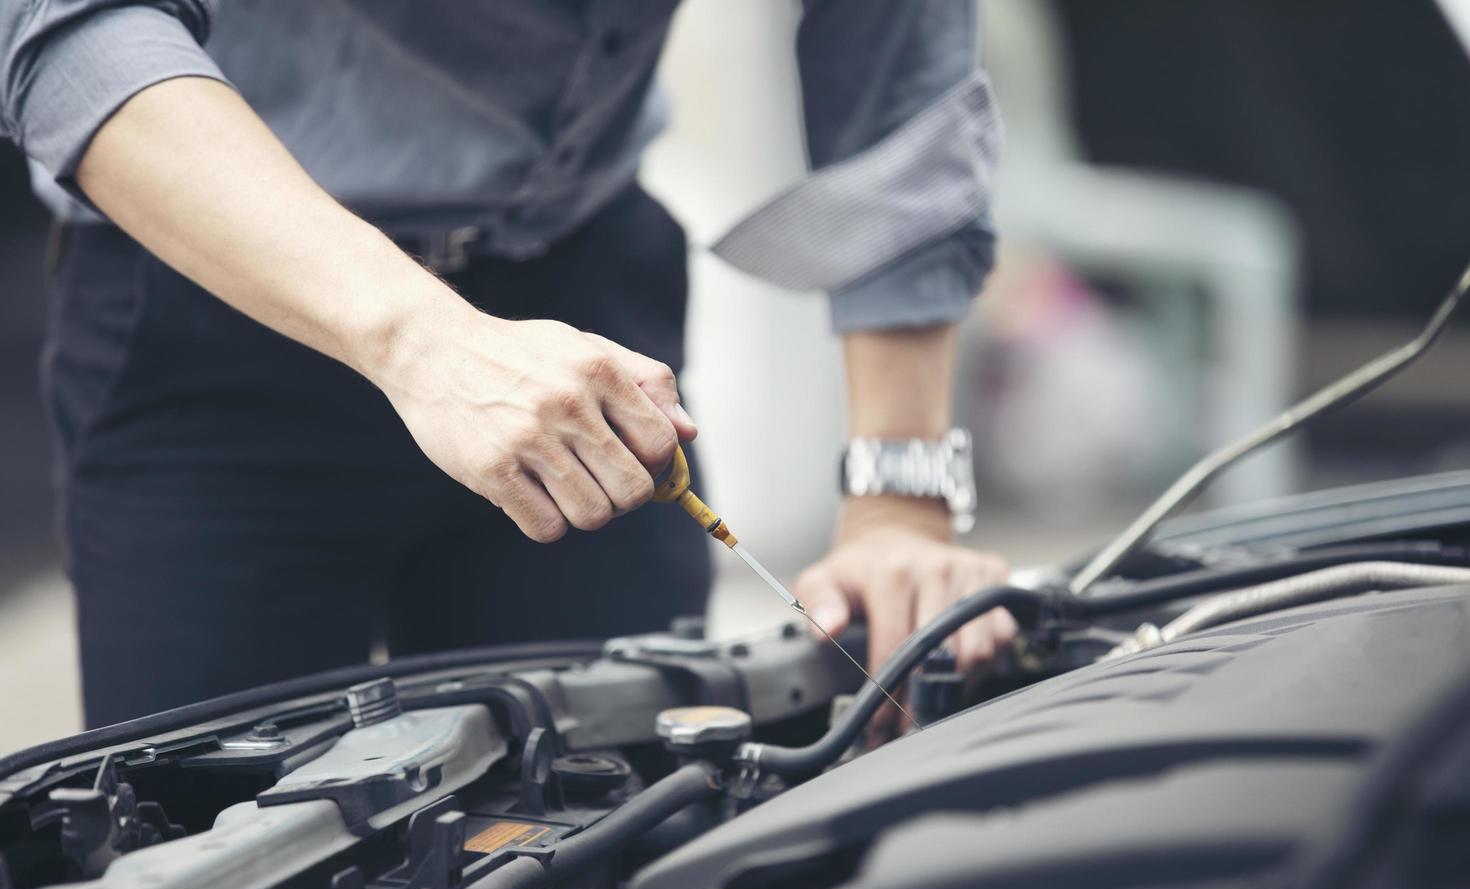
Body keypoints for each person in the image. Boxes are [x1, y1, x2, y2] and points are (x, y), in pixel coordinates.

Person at [0, 0, 1015, 730]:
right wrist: (422, 340)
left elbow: (895, 58)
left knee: (614, 843)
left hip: (585, 298)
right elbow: (72, 26)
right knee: (206, 872)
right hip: (223, 296)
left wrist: (898, 503)